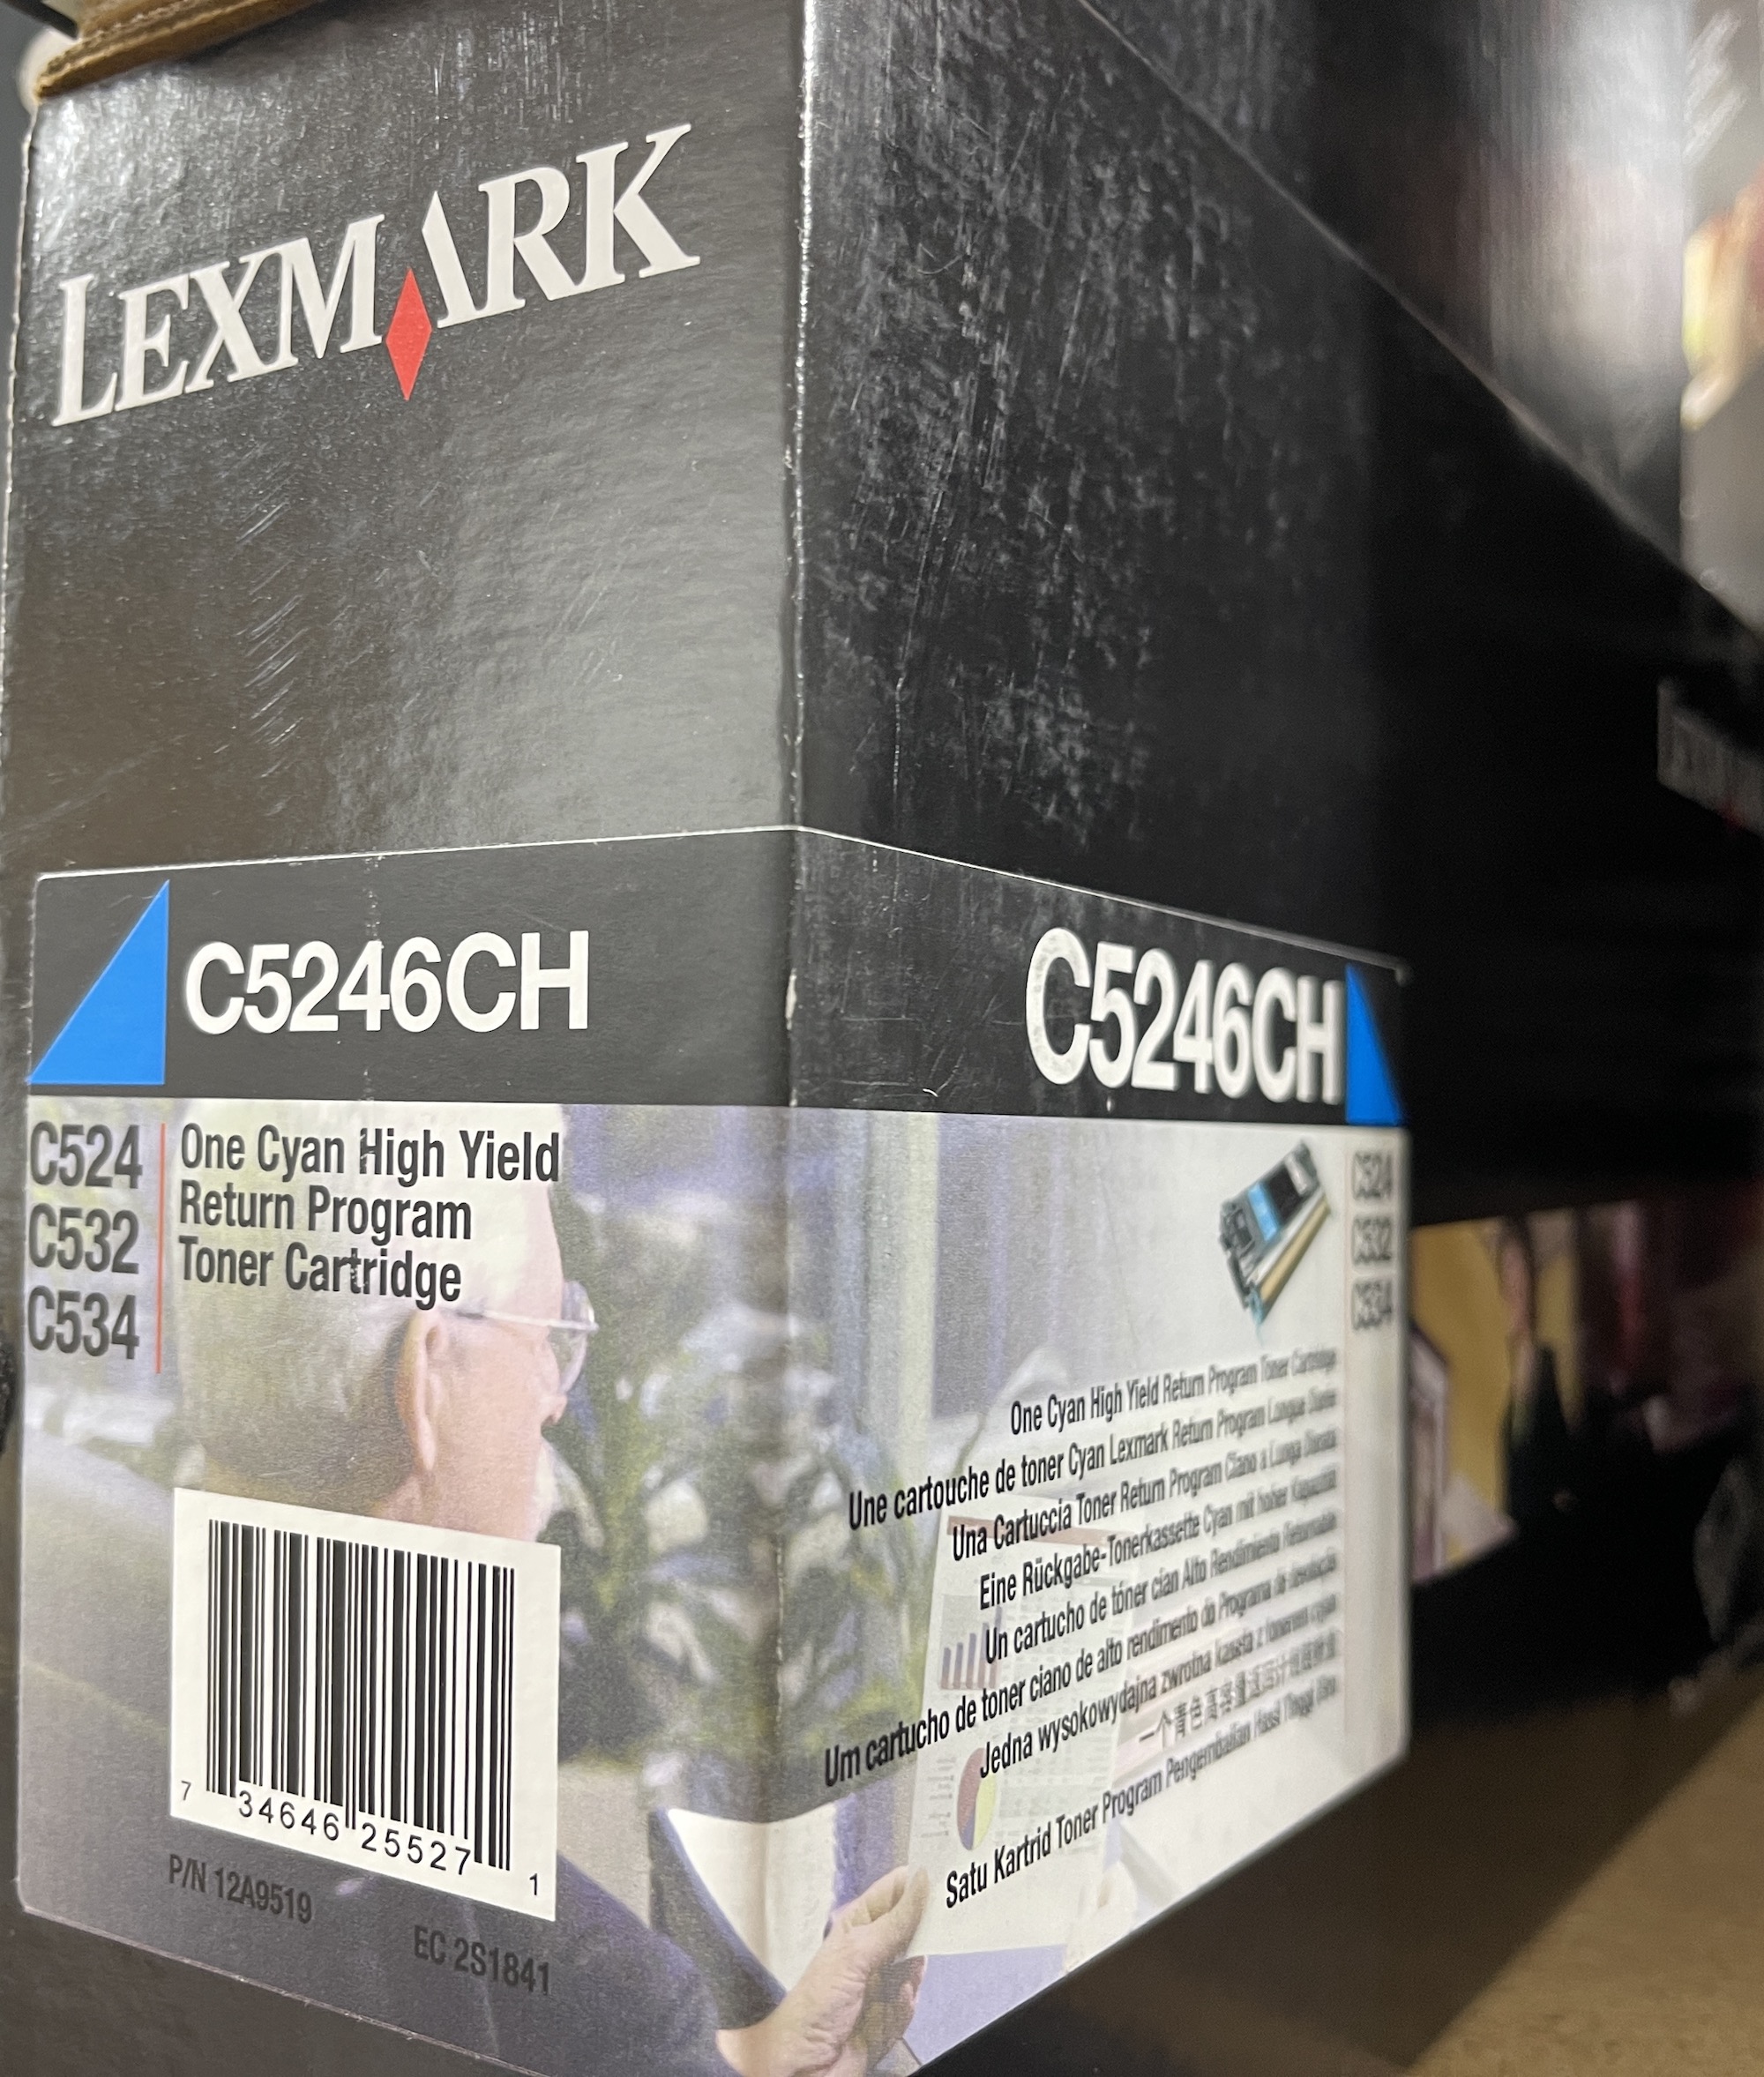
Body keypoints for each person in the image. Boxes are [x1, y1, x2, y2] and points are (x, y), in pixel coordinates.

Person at [174, 1101, 925, 2077]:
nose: (555, 1396)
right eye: (548, 1334)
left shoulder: (124, 1662)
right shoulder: (598, 1984)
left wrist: (748, 2058)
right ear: (426, 1380)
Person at [1494, 1217, 1576, 1529]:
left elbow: (1562, 1462)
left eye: (1522, 1268)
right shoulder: (1502, 1358)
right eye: (1509, 1269)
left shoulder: (1547, 1359)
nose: (1517, 1283)